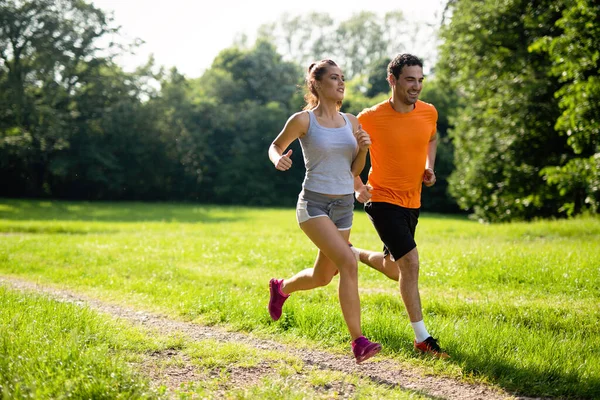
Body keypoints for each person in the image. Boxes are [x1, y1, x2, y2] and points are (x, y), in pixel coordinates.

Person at [267, 59, 381, 364]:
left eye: (343, 77)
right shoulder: (303, 120)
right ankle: (358, 341)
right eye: (334, 78)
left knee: (322, 276)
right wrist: (277, 159)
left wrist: (365, 152)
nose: (341, 83)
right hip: (313, 205)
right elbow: (275, 145)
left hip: (343, 206)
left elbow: (353, 169)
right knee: (348, 262)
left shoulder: (353, 122)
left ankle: (281, 288)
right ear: (316, 84)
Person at [352, 53, 449, 358]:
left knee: (396, 270)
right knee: (411, 264)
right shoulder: (368, 117)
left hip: (412, 201)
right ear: (392, 80)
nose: (416, 86)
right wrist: (358, 186)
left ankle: (351, 253)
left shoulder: (429, 113)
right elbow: (347, 156)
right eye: (410, 79)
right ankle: (423, 338)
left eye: (420, 80)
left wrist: (428, 165)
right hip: (382, 199)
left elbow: (431, 139)